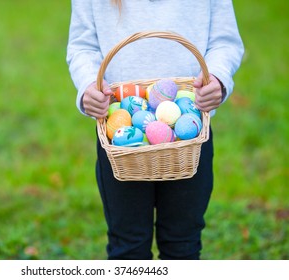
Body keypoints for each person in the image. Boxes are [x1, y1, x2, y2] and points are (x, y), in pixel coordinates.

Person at [66, 0, 244, 260]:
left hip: (189, 135)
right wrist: (88, 86)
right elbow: (83, 45)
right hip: (121, 136)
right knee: (128, 245)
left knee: (182, 244)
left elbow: (224, 41)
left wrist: (216, 77)